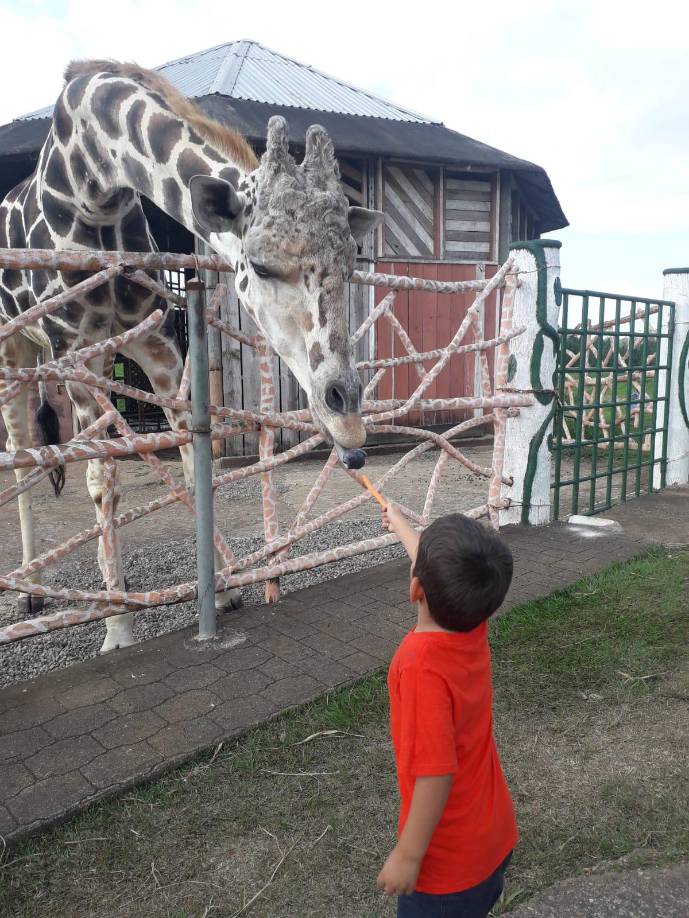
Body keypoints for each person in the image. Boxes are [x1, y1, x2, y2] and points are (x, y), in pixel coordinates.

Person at [377, 503, 518, 918]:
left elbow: (436, 773)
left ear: (416, 589)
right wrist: (400, 524)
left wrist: (408, 855)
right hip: (492, 837)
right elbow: (443, 574)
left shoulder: (420, 666)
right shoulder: (472, 620)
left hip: (447, 870)